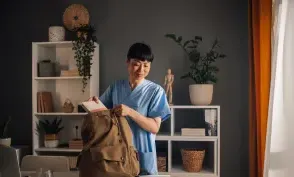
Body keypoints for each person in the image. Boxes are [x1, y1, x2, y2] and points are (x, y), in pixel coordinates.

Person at [89, 42, 171, 175]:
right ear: (127, 62)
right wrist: (94, 103)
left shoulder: (156, 91)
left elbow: (155, 127)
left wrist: (130, 112)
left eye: (146, 65)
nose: (141, 70)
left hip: (142, 152)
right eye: (136, 64)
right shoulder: (116, 87)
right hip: (117, 152)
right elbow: (101, 112)